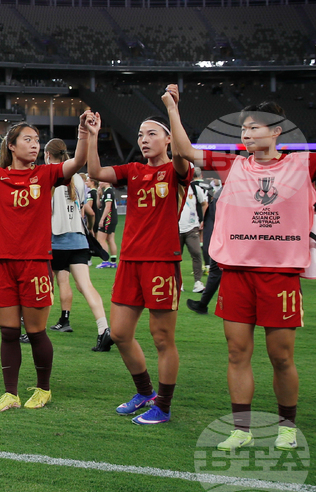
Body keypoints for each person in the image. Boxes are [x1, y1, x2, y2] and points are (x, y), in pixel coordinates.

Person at [164, 84, 316, 451]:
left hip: (280, 275)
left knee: (281, 355)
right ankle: (242, 428)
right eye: (243, 128)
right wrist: (173, 109)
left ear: (277, 131)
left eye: (255, 127)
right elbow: (186, 151)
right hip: (237, 273)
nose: (246, 133)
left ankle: (287, 427)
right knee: (237, 352)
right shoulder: (232, 163)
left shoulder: (302, 163)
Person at [0, 89, 90, 412]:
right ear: (11, 146)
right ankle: (10, 393)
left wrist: (84, 133)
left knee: (37, 331)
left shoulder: (46, 174)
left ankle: (43, 389)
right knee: (9, 332)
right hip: (2, 265)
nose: (35, 144)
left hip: (35, 264)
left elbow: (79, 161)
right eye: (27, 139)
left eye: (37, 139)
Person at [87, 106, 192, 426]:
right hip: (131, 262)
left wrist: (174, 109)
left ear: (169, 139)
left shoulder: (177, 171)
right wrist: (92, 136)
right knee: (119, 333)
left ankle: (164, 404)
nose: (144, 140)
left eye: (151, 134)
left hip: (161, 262)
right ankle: (145, 392)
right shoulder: (132, 169)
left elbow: (183, 155)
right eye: (140, 135)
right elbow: (96, 172)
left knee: (162, 339)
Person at [43, 140, 112, 352]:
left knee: (47, 286)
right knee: (85, 286)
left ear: (47, 155)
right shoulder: (78, 179)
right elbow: (83, 209)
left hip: (55, 241)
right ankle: (103, 328)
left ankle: (34, 330)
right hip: (78, 240)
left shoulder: (48, 174)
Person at [186, 186, 222, 315]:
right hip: (224, 239)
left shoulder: (230, 189)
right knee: (216, 272)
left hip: (223, 240)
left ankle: (203, 304)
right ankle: (203, 304)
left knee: (216, 271)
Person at [179, 177, 208, 293]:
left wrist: (204, 219)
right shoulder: (171, 187)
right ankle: (178, 282)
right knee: (176, 257)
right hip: (175, 228)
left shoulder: (195, 189)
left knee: (196, 253)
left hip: (192, 227)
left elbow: (204, 204)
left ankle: (198, 282)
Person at [95, 181, 119, 268]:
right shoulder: (107, 192)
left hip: (108, 219)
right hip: (112, 219)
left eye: (101, 181)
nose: (99, 182)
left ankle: (105, 261)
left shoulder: (108, 192)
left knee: (101, 239)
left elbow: (108, 207)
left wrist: (102, 219)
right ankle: (113, 262)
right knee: (110, 239)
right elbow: (99, 205)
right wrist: (98, 194)